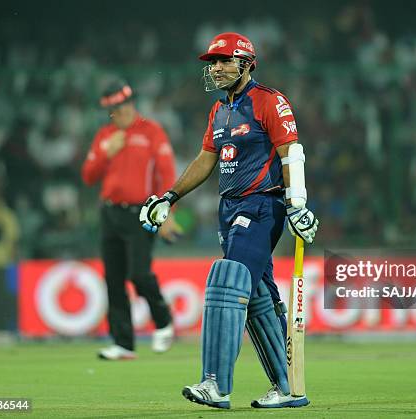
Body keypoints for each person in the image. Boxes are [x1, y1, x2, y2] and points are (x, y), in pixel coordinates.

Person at [139, 32, 318, 409]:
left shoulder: (269, 101)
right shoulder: (219, 110)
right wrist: (169, 197)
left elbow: (291, 151)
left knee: (226, 278)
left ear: (247, 63)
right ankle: (287, 388)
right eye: (212, 62)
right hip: (229, 208)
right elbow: (206, 159)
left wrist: (297, 203)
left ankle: (215, 384)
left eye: (223, 61)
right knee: (256, 293)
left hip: (262, 205)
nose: (215, 68)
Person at [81, 79, 179, 360]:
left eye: (121, 106)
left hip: (142, 212)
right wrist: (105, 153)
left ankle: (163, 321)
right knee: (113, 278)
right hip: (110, 212)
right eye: (112, 109)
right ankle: (123, 343)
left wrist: (167, 211)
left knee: (138, 274)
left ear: (131, 104)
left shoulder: (151, 132)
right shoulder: (104, 136)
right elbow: (88, 176)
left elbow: (166, 173)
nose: (117, 113)